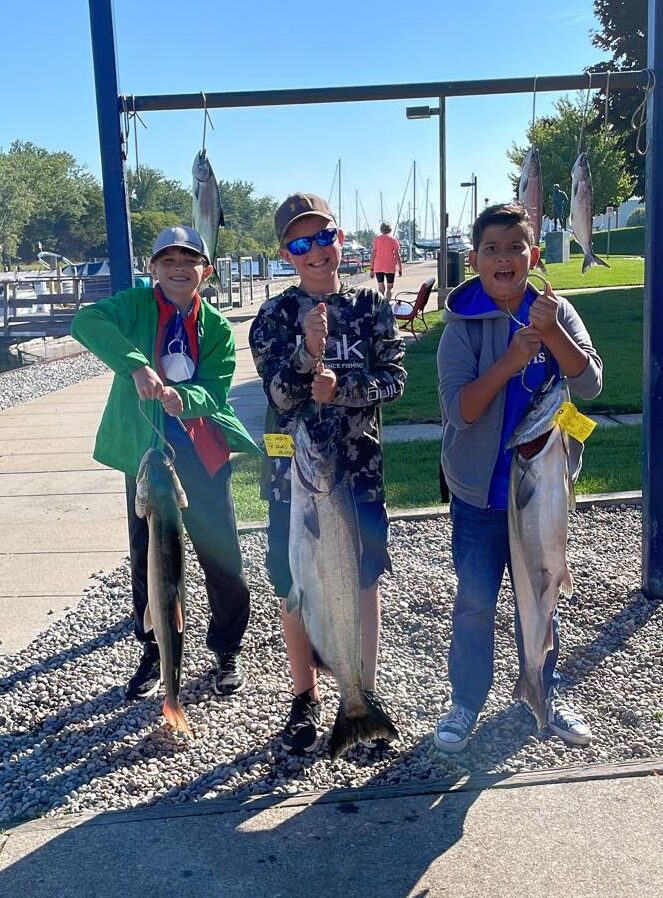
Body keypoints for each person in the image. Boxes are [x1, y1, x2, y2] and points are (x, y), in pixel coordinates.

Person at [435, 202, 603, 752]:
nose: (504, 258)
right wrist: (509, 361)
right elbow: (462, 409)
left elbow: (591, 384)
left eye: (515, 247)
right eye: (491, 249)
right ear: (474, 259)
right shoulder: (459, 327)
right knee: (476, 599)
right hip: (479, 496)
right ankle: (466, 700)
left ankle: (541, 688)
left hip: (545, 493)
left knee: (545, 589)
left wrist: (552, 334)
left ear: (532, 255)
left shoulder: (556, 310)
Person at [71, 226, 259, 701]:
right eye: (168, 260)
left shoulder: (215, 325)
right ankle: (154, 649)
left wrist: (184, 398)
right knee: (147, 559)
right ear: (153, 268)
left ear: (206, 270)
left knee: (222, 558)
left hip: (201, 453)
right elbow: (87, 324)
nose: (179, 268)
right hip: (145, 456)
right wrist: (136, 363)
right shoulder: (133, 305)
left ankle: (226, 649)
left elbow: (215, 388)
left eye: (189, 260)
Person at [249, 192, 407, 754]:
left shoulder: (371, 306)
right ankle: (304, 698)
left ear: (340, 239)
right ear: (286, 253)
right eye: (300, 243)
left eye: (323, 237)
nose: (315, 251)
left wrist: (347, 389)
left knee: (361, 580)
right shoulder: (272, 317)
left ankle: (361, 693)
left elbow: (394, 379)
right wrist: (304, 352)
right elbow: (278, 395)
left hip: (358, 471)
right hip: (292, 475)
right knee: (296, 584)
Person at [370, 222, 403, 300]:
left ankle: (381, 304)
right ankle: (388, 302)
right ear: (390, 229)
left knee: (381, 287)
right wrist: (400, 269)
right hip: (390, 266)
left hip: (378, 266)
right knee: (390, 287)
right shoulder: (393, 239)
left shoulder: (377, 239)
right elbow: (398, 256)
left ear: (381, 229)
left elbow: (373, 255)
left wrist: (372, 269)